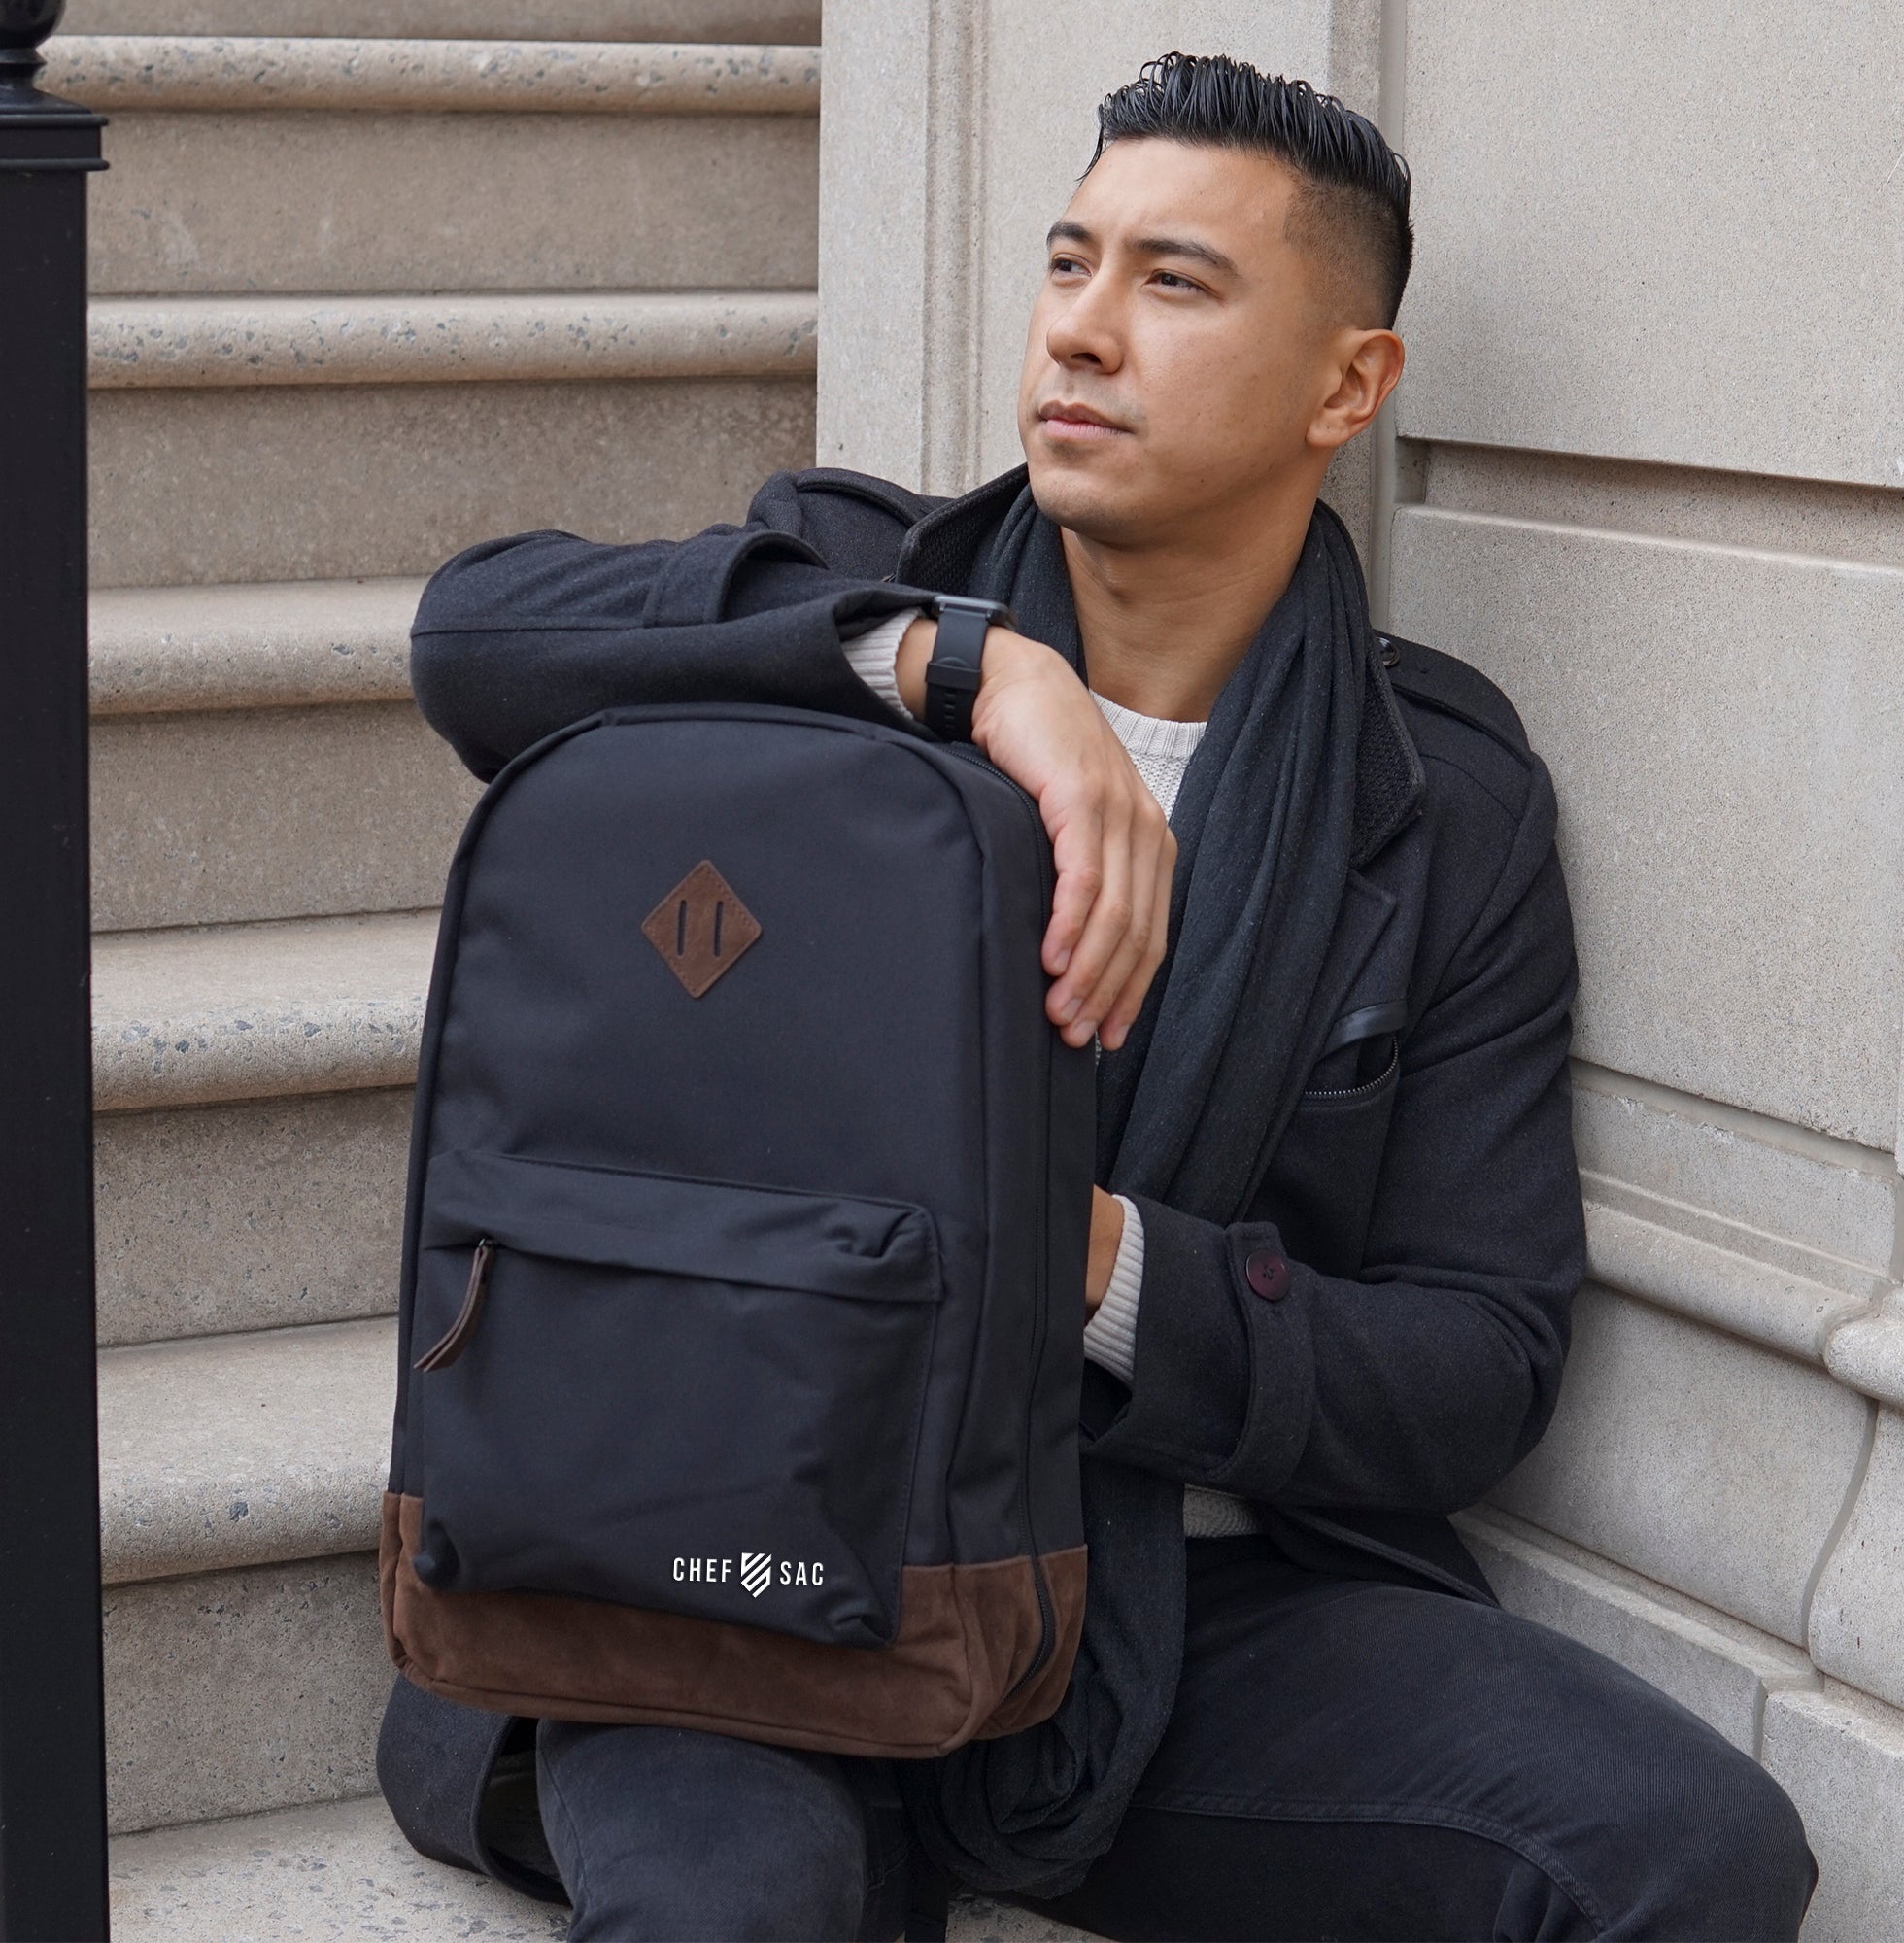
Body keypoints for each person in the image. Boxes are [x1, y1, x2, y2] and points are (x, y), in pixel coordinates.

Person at [384, 53, 1817, 1942]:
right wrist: (951, 670)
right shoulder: (849, 591)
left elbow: (1474, 1365)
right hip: (710, 1541)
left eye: (1175, 281)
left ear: (1346, 386)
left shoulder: (1432, 805)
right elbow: (475, 630)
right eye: (1070, 261)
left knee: (1687, 1847)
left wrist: (1098, 1268)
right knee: (741, 1916)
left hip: (1156, 1591)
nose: (1080, 327)